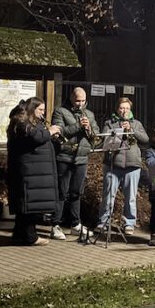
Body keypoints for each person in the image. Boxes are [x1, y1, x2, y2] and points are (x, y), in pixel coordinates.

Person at [6, 97, 60, 246]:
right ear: (32, 109)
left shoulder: (29, 122)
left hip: (32, 171)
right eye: (40, 110)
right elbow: (36, 137)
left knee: (26, 206)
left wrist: (49, 135)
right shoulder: (22, 123)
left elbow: (37, 137)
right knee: (29, 206)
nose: (43, 113)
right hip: (28, 171)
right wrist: (49, 132)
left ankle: (18, 235)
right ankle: (31, 237)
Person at [50, 87, 99, 240]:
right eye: (78, 100)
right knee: (62, 192)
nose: (80, 104)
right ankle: (55, 225)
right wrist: (78, 126)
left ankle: (76, 224)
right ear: (71, 97)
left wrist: (89, 129)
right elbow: (59, 132)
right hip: (64, 156)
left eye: (83, 101)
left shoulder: (89, 114)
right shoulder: (60, 111)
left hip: (81, 158)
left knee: (76, 192)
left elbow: (96, 138)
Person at [97, 97, 149, 235]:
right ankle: (104, 222)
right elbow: (104, 140)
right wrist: (117, 131)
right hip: (113, 163)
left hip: (132, 164)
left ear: (130, 109)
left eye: (127, 108)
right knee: (108, 195)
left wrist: (131, 129)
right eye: (121, 108)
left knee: (131, 197)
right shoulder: (109, 123)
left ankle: (129, 223)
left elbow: (145, 139)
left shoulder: (136, 123)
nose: (124, 111)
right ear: (117, 109)